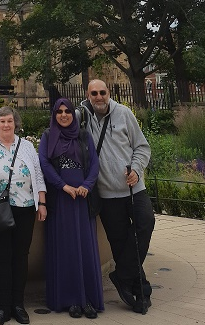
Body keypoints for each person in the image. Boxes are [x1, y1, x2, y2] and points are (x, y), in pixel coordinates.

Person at [81, 79, 155, 314]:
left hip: (134, 188)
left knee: (146, 223)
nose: (99, 97)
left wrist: (135, 168)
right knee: (121, 242)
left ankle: (122, 275)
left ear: (109, 93)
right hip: (107, 195)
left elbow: (142, 147)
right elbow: (60, 119)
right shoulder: (83, 117)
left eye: (102, 92)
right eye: (94, 93)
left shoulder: (123, 114)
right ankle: (141, 290)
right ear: (88, 95)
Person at [0, 106, 47, 325]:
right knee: (2, 259)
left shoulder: (26, 147)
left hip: (24, 208)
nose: (6, 125)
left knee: (20, 257)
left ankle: (18, 305)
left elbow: (39, 175)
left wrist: (41, 202)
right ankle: (2, 308)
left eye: (10, 121)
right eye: (3, 121)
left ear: (16, 123)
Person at [38, 98, 103, 318]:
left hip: (82, 199)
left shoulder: (83, 135)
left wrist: (86, 185)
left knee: (85, 248)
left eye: (67, 111)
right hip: (61, 199)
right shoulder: (48, 136)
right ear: (54, 114)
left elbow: (94, 163)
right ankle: (71, 300)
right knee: (65, 249)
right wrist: (63, 186)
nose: (64, 115)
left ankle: (88, 299)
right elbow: (44, 164)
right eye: (59, 112)